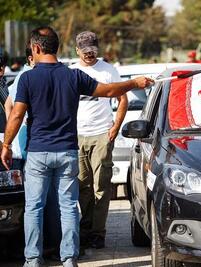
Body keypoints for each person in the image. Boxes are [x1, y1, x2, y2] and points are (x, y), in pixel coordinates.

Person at [0, 26, 153, 267]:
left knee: (34, 208)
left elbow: (17, 115)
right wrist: (134, 83)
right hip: (67, 151)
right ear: (58, 48)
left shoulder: (28, 78)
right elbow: (110, 90)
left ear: (36, 48)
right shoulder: (72, 76)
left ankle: (32, 260)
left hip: (38, 153)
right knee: (69, 206)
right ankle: (69, 259)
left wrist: (6, 144)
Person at [69, 31, 128, 250]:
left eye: (93, 50)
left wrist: (115, 127)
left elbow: (123, 99)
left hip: (102, 135)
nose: (89, 55)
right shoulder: (72, 71)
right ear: (77, 50)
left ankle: (98, 233)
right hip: (77, 136)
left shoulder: (108, 70)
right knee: (83, 185)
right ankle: (84, 230)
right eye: (85, 51)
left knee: (101, 186)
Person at [5, 42, 62, 259]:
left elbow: (11, 108)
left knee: (35, 203)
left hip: (32, 147)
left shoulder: (25, 77)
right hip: (47, 146)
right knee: (53, 202)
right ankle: (57, 249)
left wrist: (11, 136)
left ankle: (35, 254)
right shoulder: (31, 76)